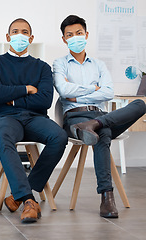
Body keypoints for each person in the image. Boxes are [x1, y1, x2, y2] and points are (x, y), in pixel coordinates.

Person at [53, 15, 146, 218]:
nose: (75, 37)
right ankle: (106, 197)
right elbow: (63, 89)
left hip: (100, 115)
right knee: (103, 134)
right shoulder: (60, 64)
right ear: (64, 39)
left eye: (78, 33)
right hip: (75, 118)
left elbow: (108, 92)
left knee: (140, 104)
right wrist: (90, 90)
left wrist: (76, 94)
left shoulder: (99, 65)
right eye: (70, 35)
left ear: (86, 35)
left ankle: (94, 124)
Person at [0, 18, 68, 223]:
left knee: (59, 136)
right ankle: (29, 200)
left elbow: (45, 99)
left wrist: (10, 98)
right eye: (15, 31)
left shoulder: (42, 67)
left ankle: (18, 194)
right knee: (4, 137)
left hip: (34, 118)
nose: (19, 35)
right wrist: (26, 89)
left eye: (24, 32)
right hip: (4, 118)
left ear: (31, 38)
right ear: (7, 37)